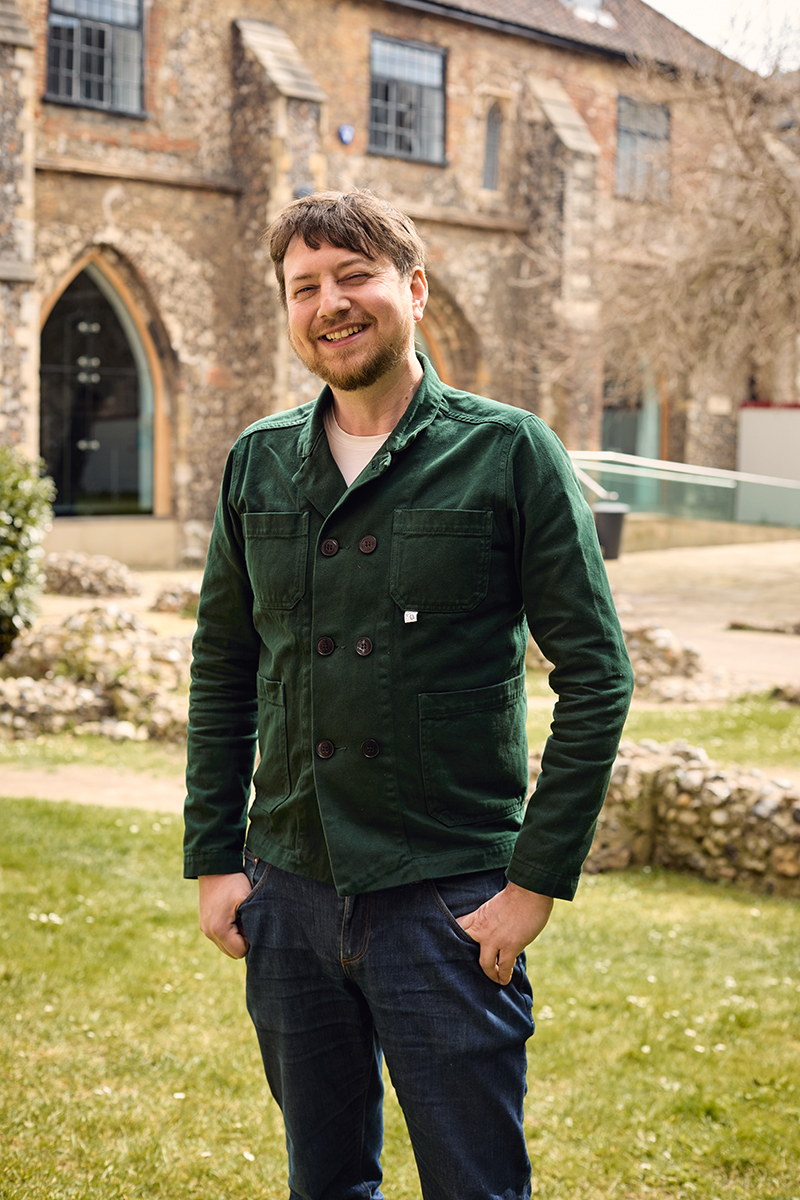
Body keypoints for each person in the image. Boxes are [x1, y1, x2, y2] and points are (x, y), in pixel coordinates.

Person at [184, 189, 634, 1200]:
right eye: (305, 287)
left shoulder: (509, 453)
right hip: (288, 897)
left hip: (447, 899)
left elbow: (597, 674)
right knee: (323, 1183)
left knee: (474, 1186)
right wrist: (216, 858)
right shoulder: (256, 462)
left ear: (413, 290)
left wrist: (530, 887)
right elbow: (223, 669)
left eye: (354, 277)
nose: (329, 304)